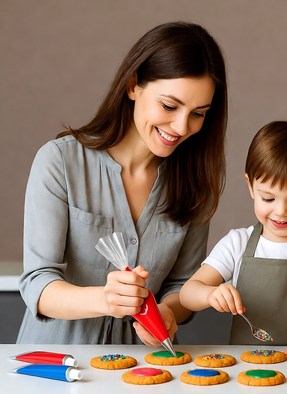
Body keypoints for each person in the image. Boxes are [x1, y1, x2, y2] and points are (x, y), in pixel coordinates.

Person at [17, 21, 228, 345]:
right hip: (54, 368)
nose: (181, 126)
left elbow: (182, 285)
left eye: (198, 113)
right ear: (133, 85)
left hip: (138, 373)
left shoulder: (195, 185)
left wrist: (168, 312)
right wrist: (105, 299)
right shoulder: (60, 162)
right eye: (169, 106)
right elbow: (37, 284)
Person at [180, 120, 287, 359]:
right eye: (268, 198)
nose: (281, 211)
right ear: (251, 186)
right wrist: (210, 295)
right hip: (249, 371)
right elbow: (188, 293)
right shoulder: (237, 243)